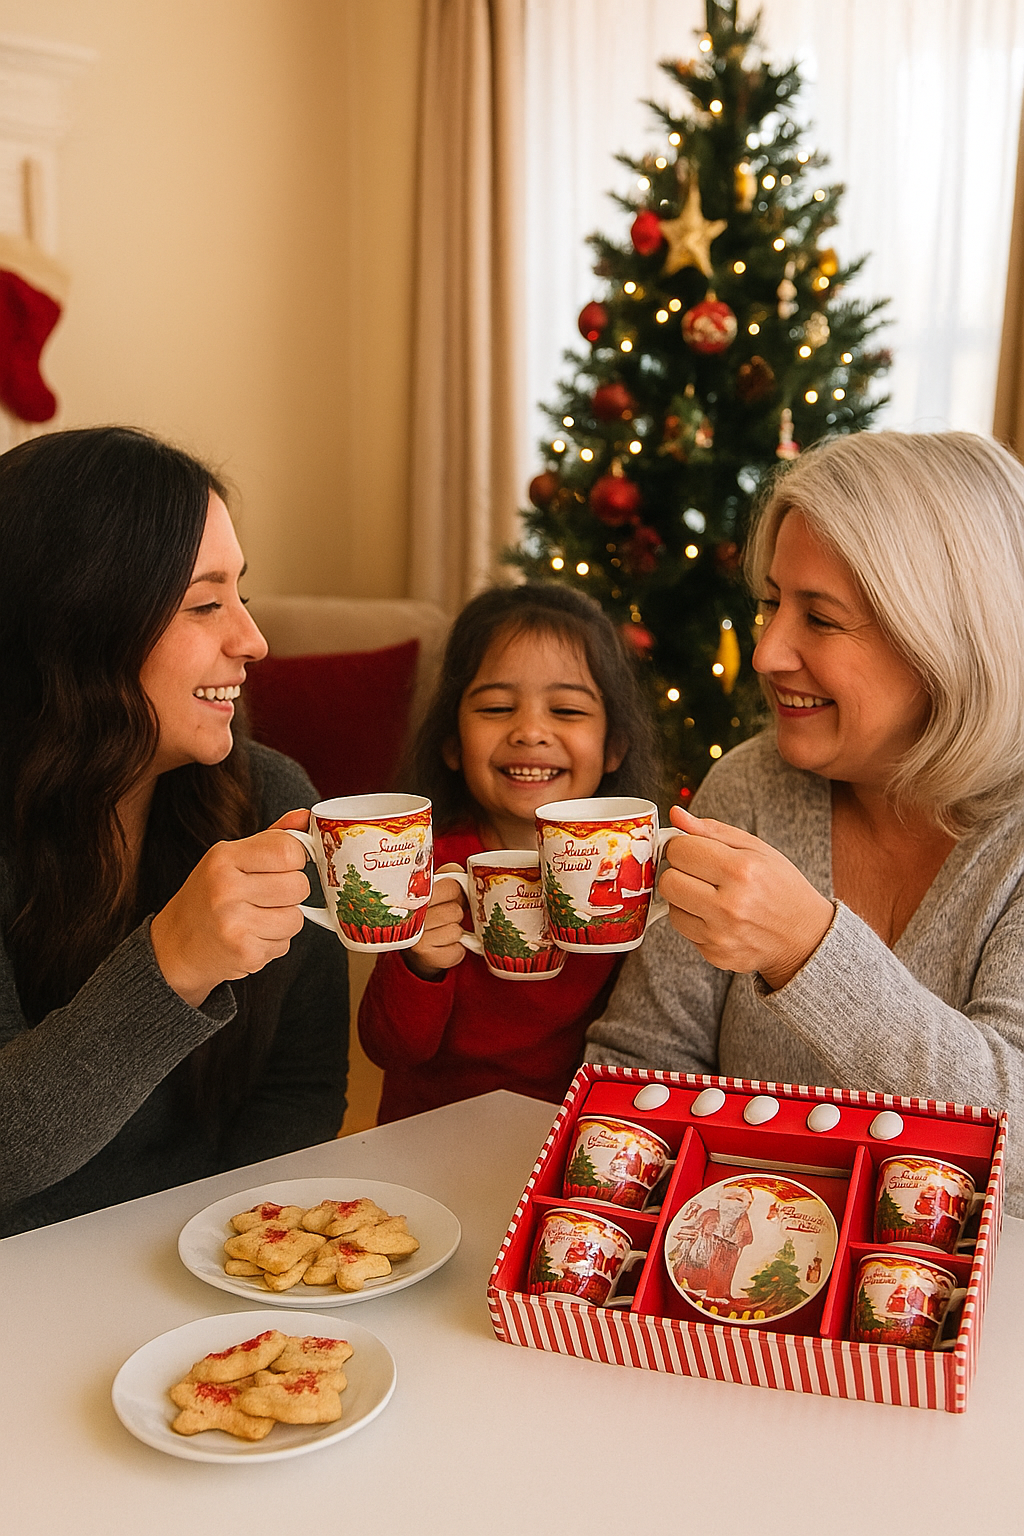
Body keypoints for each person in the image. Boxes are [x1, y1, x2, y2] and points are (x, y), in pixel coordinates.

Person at [585, 430, 1024, 1216]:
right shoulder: (751, 785)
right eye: (770, 603)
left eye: (820, 618)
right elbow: (636, 1070)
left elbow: (1017, 1144)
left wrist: (809, 949)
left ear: (947, 643)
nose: (767, 653)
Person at [0, 427, 347, 1236]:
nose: (252, 641)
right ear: (77, 626)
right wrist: (174, 961)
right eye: (203, 604)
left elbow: (298, 1090)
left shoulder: (272, 799)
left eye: (242, 595)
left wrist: (229, 1255)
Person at [358, 584, 661, 1121]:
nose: (529, 732)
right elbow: (390, 1048)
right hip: (431, 1142)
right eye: (497, 707)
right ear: (451, 743)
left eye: (566, 710)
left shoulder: (639, 875)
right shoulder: (430, 871)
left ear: (615, 746)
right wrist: (418, 962)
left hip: (570, 1143)